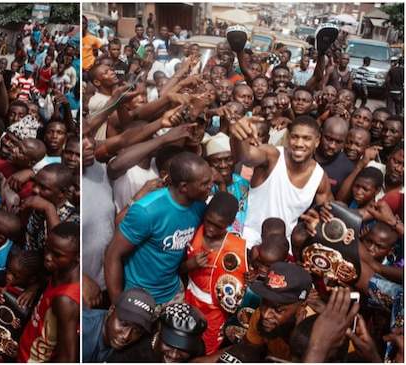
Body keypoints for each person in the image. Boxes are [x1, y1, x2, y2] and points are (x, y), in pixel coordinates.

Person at [105, 152, 211, 305]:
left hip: (173, 293)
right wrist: (117, 306)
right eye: (204, 183)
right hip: (139, 298)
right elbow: (112, 255)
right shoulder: (146, 211)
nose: (210, 187)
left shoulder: (200, 205)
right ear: (184, 187)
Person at [231, 115, 332, 248]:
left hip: (282, 249)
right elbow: (246, 157)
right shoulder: (272, 155)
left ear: (317, 141)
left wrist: (319, 220)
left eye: (306, 138)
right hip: (247, 239)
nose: (299, 144)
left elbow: (330, 212)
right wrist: (238, 137)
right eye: (295, 137)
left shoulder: (319, 177)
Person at [184, 192, 247, 354]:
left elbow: (241, 285)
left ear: (230, 223)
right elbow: (176, 269)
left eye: (218, 226)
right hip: (188, 298)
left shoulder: (237, 249)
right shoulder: (193, 231)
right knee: (182, 343)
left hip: (215, 312)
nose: (210, 229)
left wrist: (249, 279)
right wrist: (190, 265)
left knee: (205, 350)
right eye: (208, 222)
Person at [18, 222, 80, 362]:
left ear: (78, 257)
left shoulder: (66, 300)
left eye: (57, 255)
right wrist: (36, 287)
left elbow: (68, 357)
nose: (48, 257)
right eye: (47, 249)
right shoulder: (59, 269)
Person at [82, 288, 156, 362]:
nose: (126, 336)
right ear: (111, 310)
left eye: (137, 331)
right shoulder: (84, 327)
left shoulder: (138, 345)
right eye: (124, 324)